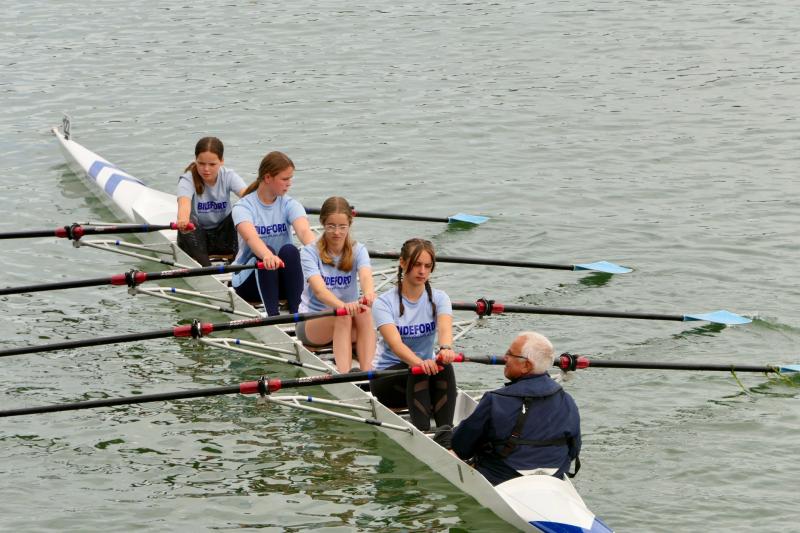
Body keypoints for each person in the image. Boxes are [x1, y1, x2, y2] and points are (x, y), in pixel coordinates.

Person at [451, 332, 581, 486]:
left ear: (526, 366)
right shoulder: (567, 400)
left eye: (510, 354)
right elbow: (573, 450)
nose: (505, 358)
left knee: (450, 445)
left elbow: (461, 448)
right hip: (554, 477)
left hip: (502, 478)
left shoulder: (495, 400)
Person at [369, 238, 458, 432]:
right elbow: (396, 345)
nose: (422, 271)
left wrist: (445, 349)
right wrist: (419, 363)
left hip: (421, 376)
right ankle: (424, 432)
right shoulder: (384, 303)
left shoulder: (440, 298)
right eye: (417, 264)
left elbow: (445, 329)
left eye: (427, 266)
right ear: (402, 263)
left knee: (443, 364)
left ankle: (446, 432)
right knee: (419, 368)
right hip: (387, 381)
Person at [297, 197, 376, 373]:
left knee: (365, 312)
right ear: (322, 223)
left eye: (342, 227)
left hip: (347, 318)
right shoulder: (310, 252)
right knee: (343, 314)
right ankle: (345, 375)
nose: (337, 232)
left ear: (350, 225)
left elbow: (365, 276)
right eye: (331, 226)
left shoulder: (358, 250)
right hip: (311, 324)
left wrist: (369, 293)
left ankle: (368, 373)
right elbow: (320, 292)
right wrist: (344, 307)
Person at [230, 151, 315, 316]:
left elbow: (304, 231)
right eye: (285, 179)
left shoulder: (290, 204)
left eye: (290, 179)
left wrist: (319, 251)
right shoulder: (243, 207)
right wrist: (267, 255)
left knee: (290, 251)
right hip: (248, 281)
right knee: (266, 251)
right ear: (268, 178)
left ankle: (297, 312)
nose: (289, 183)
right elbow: (251, 238)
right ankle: (273, 317)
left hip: (280, 277)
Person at [176, 137, 247, 266]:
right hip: (197, 239)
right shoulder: (187, 180)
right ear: (195, 160)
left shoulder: (229, 176)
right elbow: (184, 204)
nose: (206, 169)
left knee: (241, 209)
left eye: (212, 164)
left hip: (223, 237)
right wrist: (182, 219)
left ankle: (237, 262)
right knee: (189, 222)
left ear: (221, 162)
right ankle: (206, 268)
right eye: (201, 163)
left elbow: (249, 198)